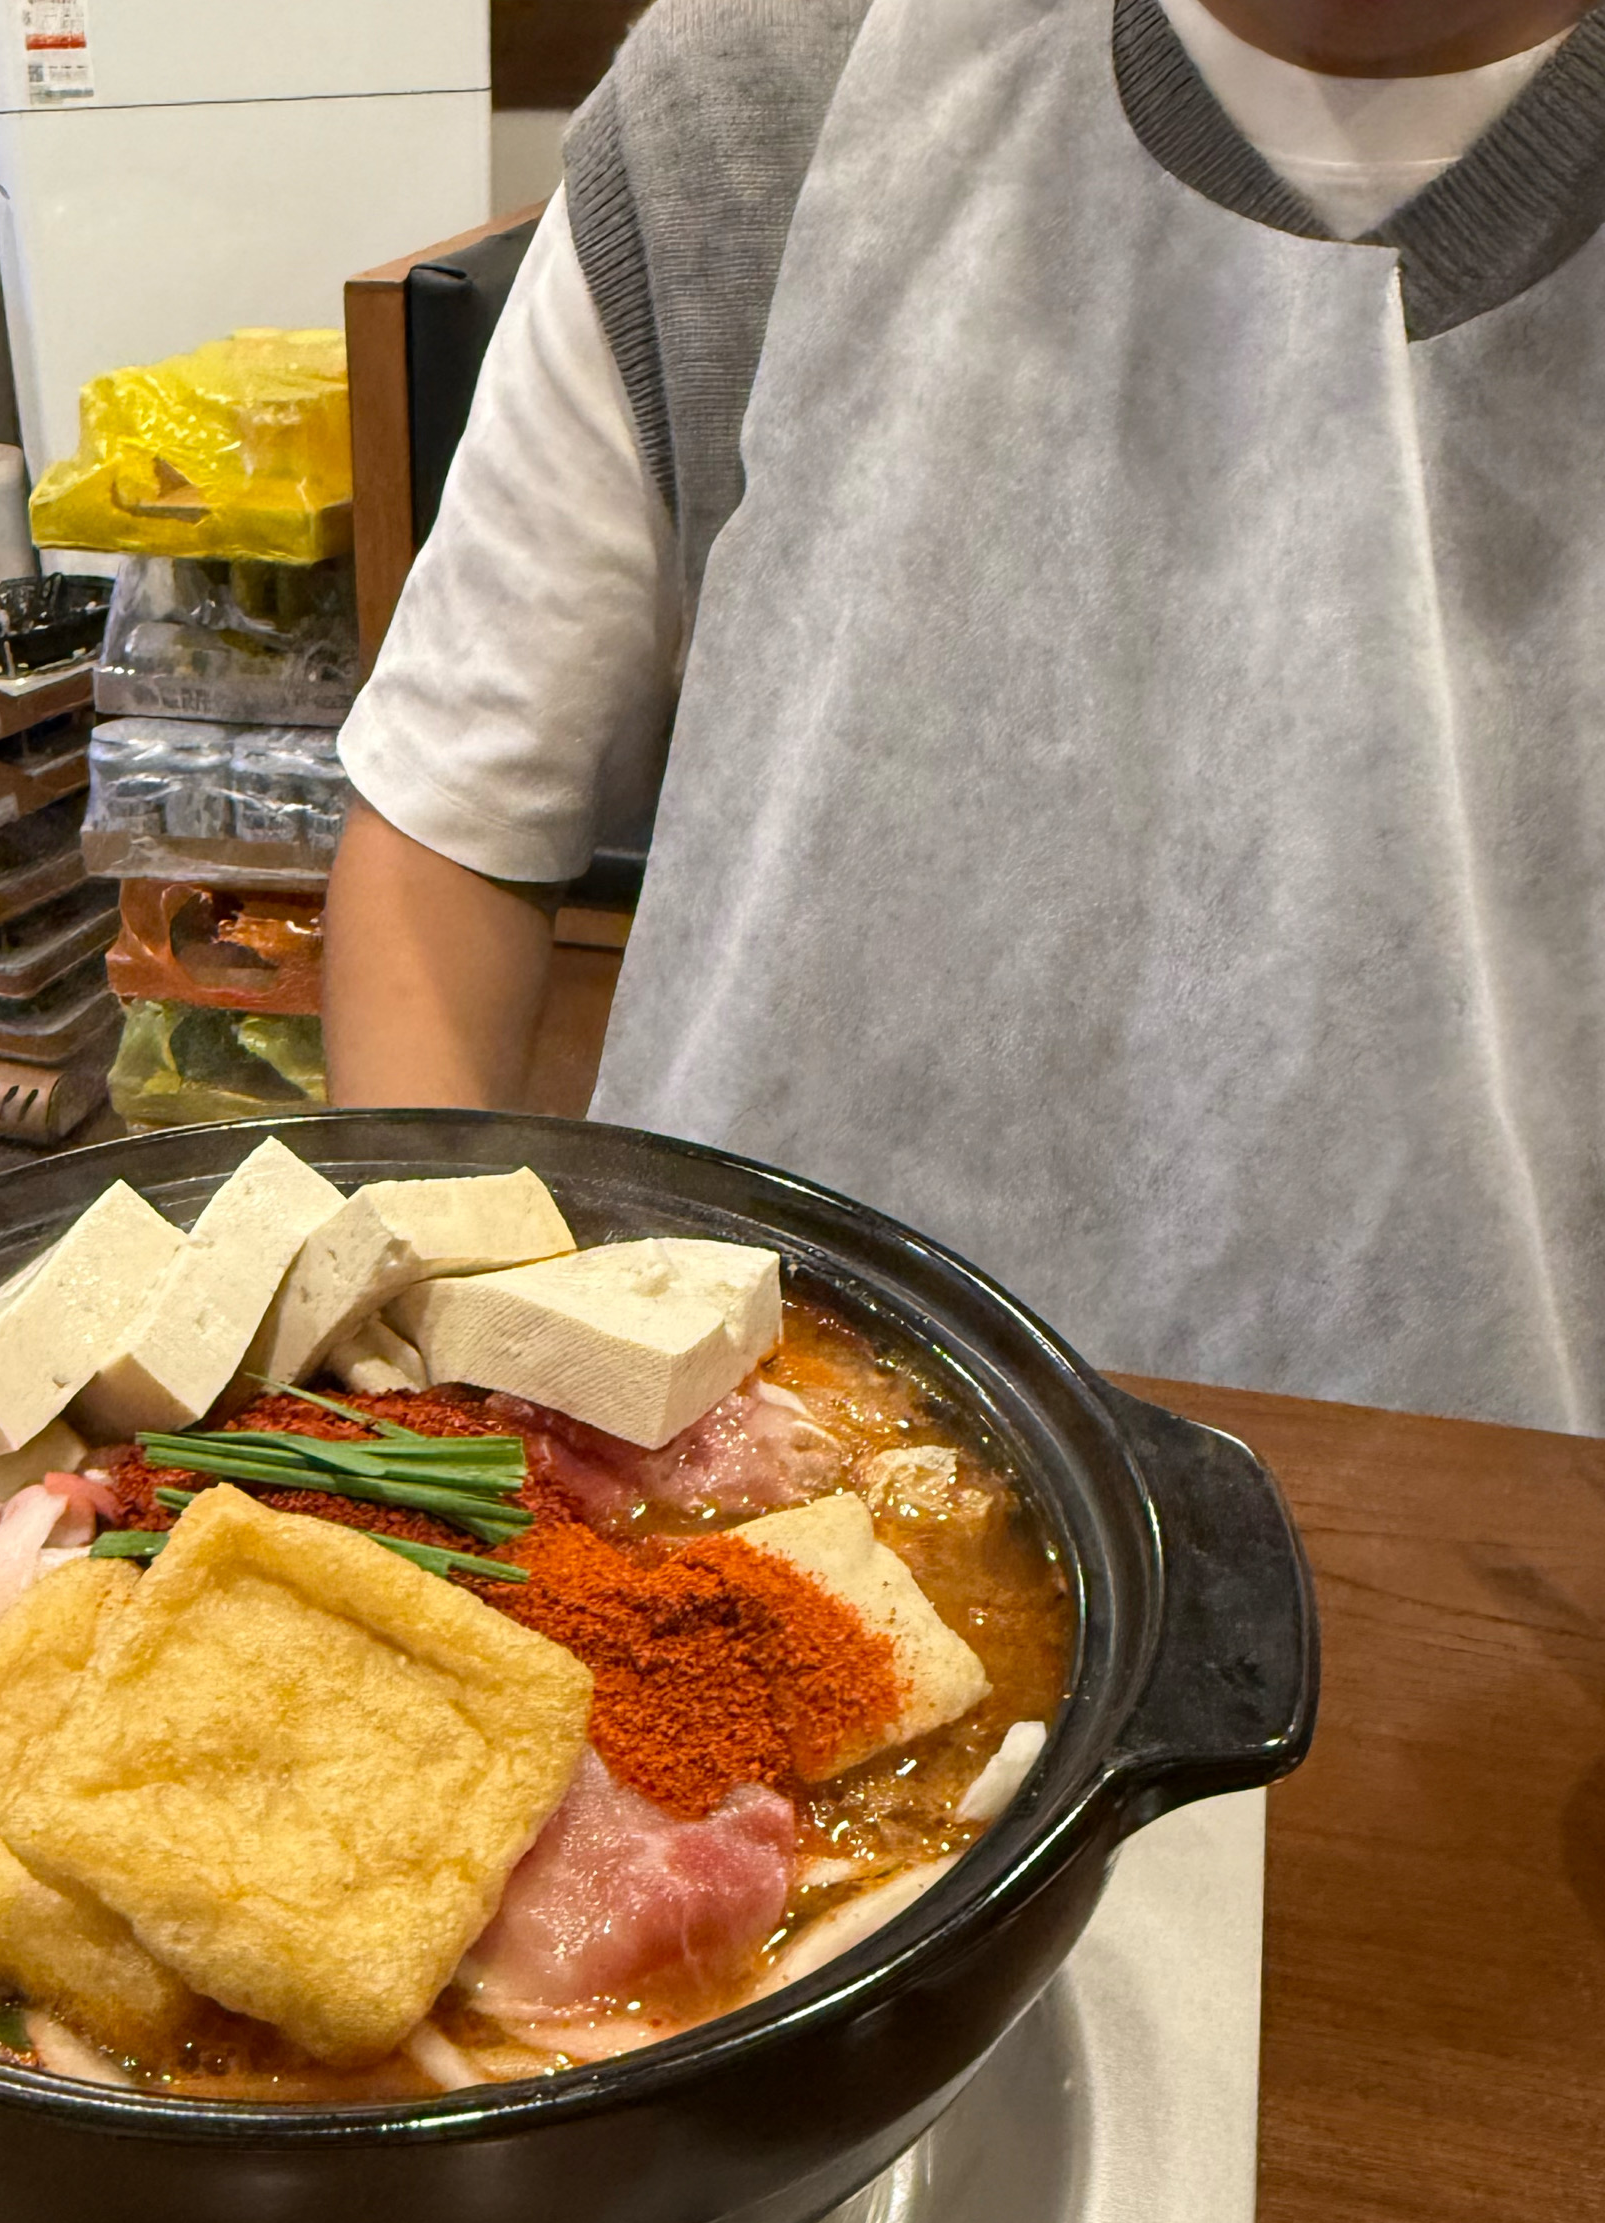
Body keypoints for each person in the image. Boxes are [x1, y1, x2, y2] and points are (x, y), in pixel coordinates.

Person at [326, 0, 1605, 1432]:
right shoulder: (765, 106)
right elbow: (455, 821)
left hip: (1517, 1543)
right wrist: (438, 1380)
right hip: (732, 1487)